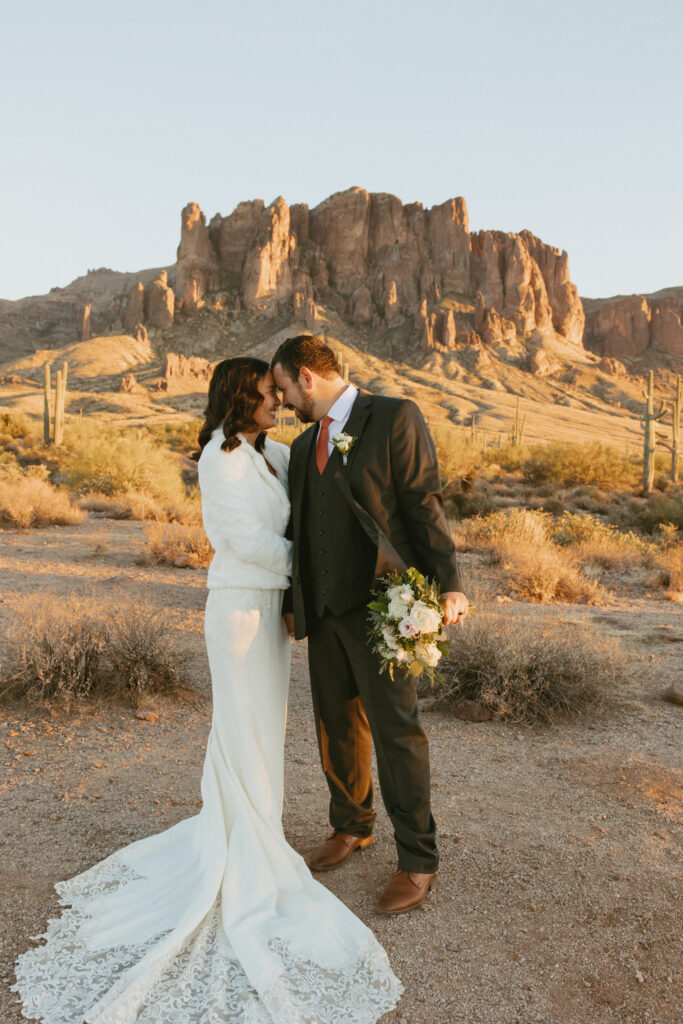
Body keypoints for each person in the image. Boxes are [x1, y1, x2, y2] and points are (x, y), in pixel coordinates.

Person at [13, 357, 402, 1024]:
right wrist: (308, 573)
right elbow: (238, 537)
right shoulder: (216, 459)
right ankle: (246, 845)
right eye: (263, 395)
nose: (275, 403)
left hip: (274, 613)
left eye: (278, 393)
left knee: (262, 729)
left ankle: (255, 826)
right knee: (242, 727)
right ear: (237, 398)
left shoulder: (274, 454)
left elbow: (303, 518)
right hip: (240, 613)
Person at [271, 336, 469, 917]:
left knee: (396, 732)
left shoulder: (392, 416)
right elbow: (302, 531)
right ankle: (351, 826)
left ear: (307, 378)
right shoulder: (306, 443)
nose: (282, 401)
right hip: (326, 612)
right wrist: (293, 603)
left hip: (385, 605)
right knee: (336, 726)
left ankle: (418, 859)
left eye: (283, 388)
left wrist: (450, 582)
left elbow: (423, 503)